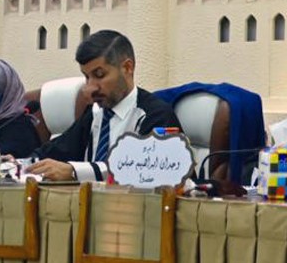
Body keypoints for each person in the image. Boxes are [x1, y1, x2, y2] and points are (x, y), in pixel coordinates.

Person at [26, 30, 180, 181]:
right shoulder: (95, 112)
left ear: (127, 68)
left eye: (99, 75)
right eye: (87, 77)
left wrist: (75, 171)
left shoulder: (155, 115)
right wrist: (23, 163)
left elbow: (145, 169)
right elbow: (56, 150)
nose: (91, 88)